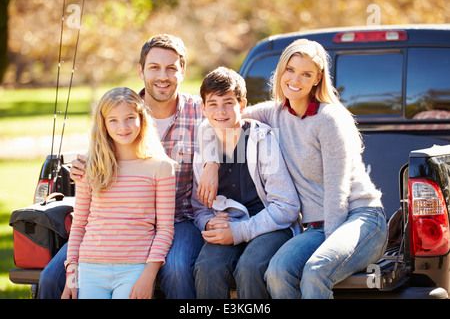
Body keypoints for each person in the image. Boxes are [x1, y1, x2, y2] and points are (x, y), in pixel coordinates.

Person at [200, 39, 388, 299]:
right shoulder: (275, 113)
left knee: (315, 271)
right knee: (277, 272)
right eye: (290, 70)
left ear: (317, 79)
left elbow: (337, 193)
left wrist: (327, 249)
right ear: (280, 71)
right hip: (315, 227)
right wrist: (211, 161)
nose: (295, 80)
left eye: (306, 74)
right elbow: (223, 119)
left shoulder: (330, 119)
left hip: (358, 218)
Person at [39, 34, 213, 299]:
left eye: (171, 68)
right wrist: (84, 164)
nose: (162, 76)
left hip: (179, 217)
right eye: (154, 67)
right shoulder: (127, 110)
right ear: (141, 70)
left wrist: (214, 161)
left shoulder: (200, 111)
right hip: (118, 222)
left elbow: (237, 124)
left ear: (183, 71)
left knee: (177, 270)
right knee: (51, 277)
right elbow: (104, 142)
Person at [192, 67, 301, 299]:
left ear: (242, 105)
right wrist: (209, 223)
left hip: (270, 225)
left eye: (228, 102)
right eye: (212, 104)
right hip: (229, 225)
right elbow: (199, 208)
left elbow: (287, 207)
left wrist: (239, 231)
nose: (220, 111)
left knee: (250, 268)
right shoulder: (202, 152)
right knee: (207, 269)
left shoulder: (263, 141)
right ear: (203, 108)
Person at [61, 87, 176, 299]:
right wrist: (71, 278)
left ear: (141, 118)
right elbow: (79, 225)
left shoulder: (161, 168)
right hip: (90, 268)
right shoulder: (90, 165)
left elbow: (165, 229)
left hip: (134, 269)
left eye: (130, 118)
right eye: (113, 120)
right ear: (103, 124)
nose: (122, 127)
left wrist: (148, 276)